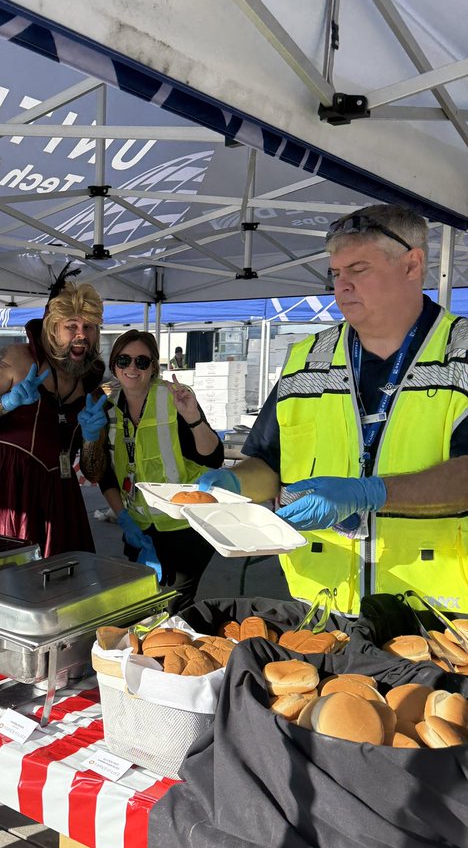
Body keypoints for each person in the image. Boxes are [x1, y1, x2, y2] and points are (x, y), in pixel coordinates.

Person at [197, 203, 468, 614]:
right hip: (321, 604)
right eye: (336, 273)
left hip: (441, 612)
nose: (342, 286)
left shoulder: (461, 354)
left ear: (412, 266)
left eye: (358, 269)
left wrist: (371, 493)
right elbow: (269, 462)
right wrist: (233, 484)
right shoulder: (306, 359)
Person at [0, 279, 105, 556]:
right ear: (52, 327)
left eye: (89, 327)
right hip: (2, 485)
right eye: (71, 326)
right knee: (4, 572)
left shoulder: (91, 383)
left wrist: (92, 438)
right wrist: (6, 402)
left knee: (62, 575)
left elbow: (93, 472)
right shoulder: (16, 359)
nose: (81, 335)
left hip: (60, 495)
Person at [80, 330, 224, 610]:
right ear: (114, 365)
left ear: (154, 366)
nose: (132, 368)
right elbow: (102, 475)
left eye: (142, 361)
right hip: (138, 527)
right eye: (124, 360)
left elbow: (213, 458)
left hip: (185, 524)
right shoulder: (106, 405)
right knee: (144, 605)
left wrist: (193, 417)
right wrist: (123, 518)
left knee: (174, 606)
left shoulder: (173, 398)